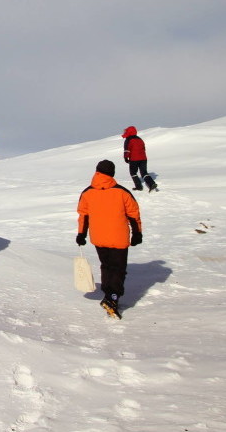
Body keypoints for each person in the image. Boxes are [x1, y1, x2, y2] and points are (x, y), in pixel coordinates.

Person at [76, 159, 143, 319]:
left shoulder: (87, 192)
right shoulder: (122, 192)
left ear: (97, 172)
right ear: (112, 174)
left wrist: (81, 234)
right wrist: (137, 233)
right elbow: (133, 215)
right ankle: (113, 297)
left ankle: (108, 294)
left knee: (106, 266)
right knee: (118, 269)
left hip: (98, 237)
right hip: (119, 237)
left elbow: (83, 216)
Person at [122, 126, 158, 192]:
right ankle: (151, 184)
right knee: (144, 173)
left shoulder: (128, 140)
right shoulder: (140, 139)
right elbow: (144, 148)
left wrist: (126, 158)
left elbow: (127, 150)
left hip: (134, 159)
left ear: (129, 132)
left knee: (133, 172)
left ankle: (138, 186)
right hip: (143, 158)